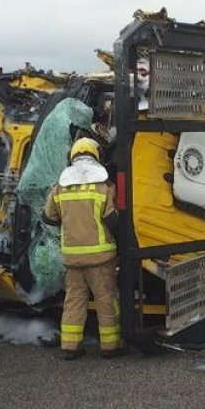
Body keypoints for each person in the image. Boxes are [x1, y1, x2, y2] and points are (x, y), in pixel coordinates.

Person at [41, 137, 126, 359]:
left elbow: (48, 218)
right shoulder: (105, 187)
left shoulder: (60, 188)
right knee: (105, 299)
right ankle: (110, 346)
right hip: (100, 256)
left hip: (72, 257)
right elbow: (112, 220)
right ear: (97, 156)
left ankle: (70, 346)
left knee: (74, 300)